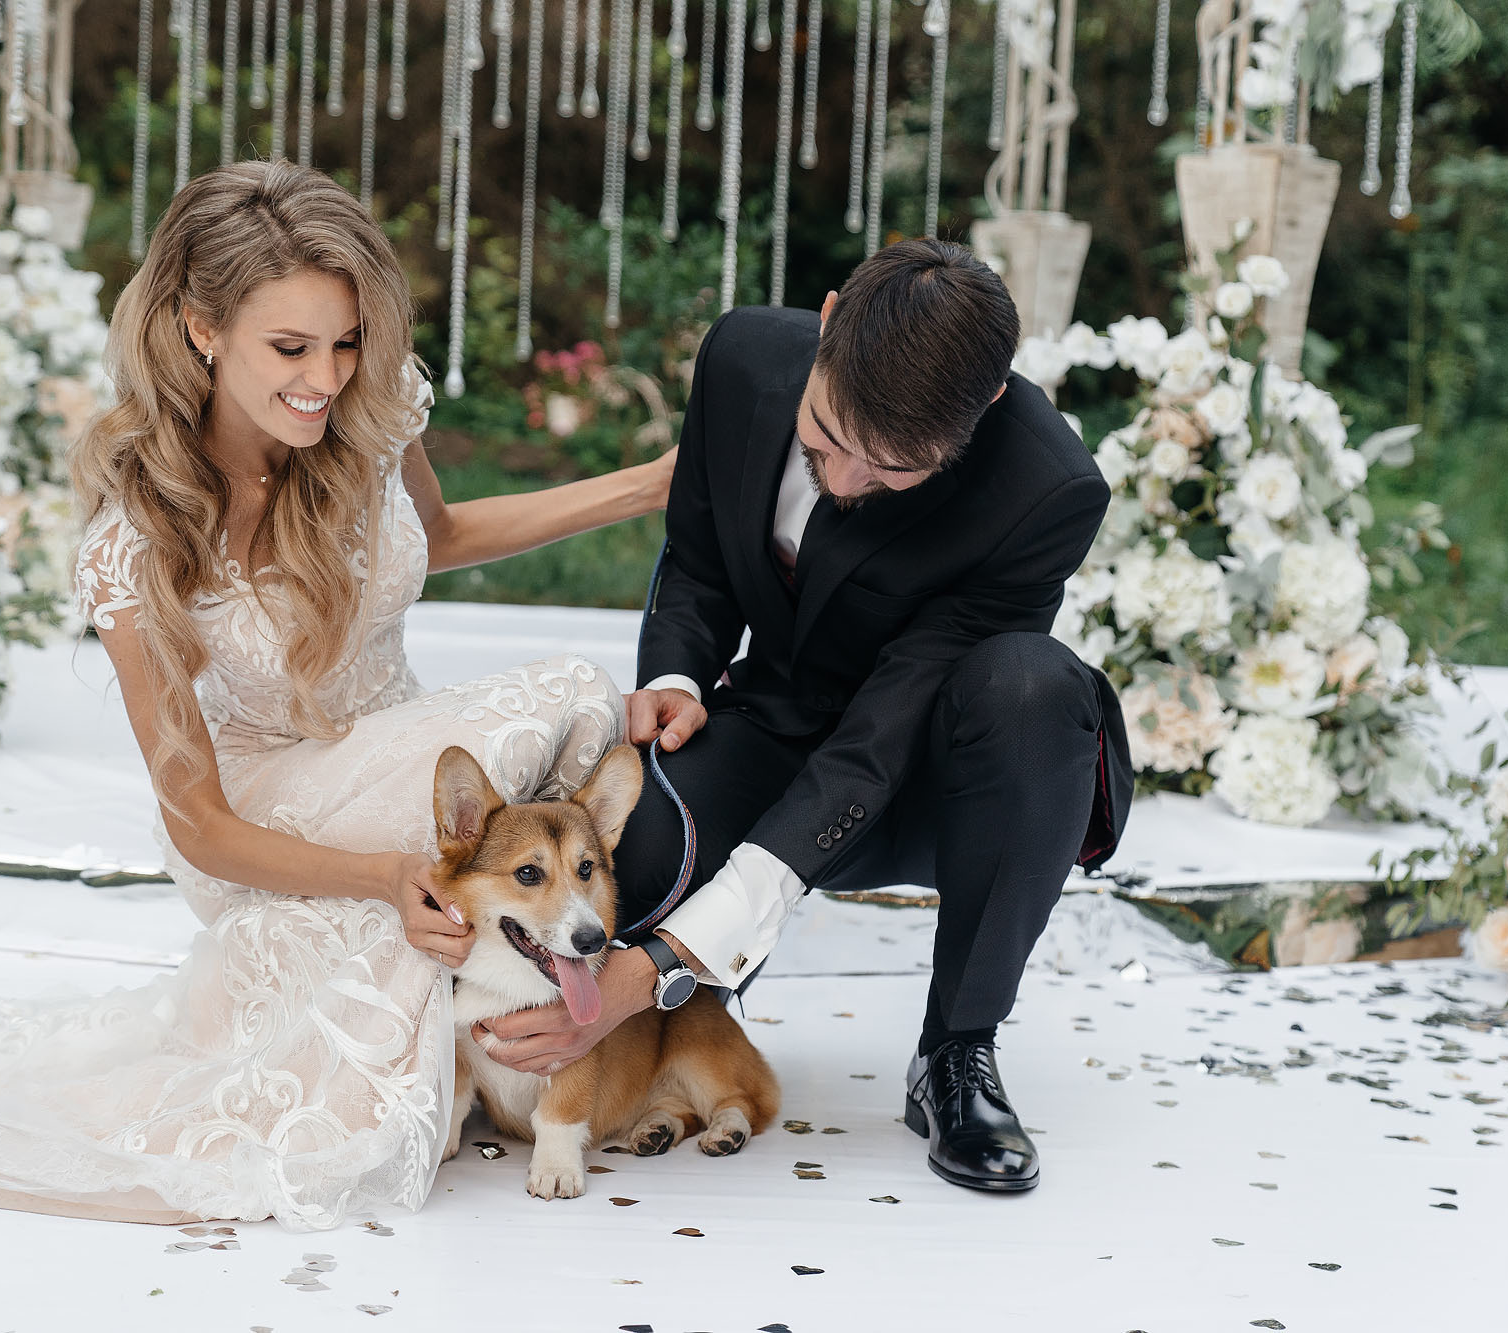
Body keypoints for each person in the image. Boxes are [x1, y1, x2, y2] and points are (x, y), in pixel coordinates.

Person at [0, 160, 673, 1230]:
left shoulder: (369, 409)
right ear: (201, 328)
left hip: (399, 753)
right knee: (563, 695)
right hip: (265, 815)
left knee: (574, 717)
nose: (326, 377)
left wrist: (650, 485)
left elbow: (436, 535)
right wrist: (382, 875)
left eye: (347, 341)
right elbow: (198, 823)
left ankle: (549, 1021)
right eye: (290, 348)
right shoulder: (136, 541)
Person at [466, 239, 1134, 1193]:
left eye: (891, 469)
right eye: (825, 436)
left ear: (984, 405)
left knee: (1038, 687)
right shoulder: (741, 358)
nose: (847, 481)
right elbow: (698, 555)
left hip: (939, 776)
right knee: (624, 863)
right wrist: (679, 677)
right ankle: (591, 1048)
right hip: (771, 722)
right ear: (826, 324)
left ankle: (956, 1050)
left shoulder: (1047, 489)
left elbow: (877, 741)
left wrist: (660, 964)